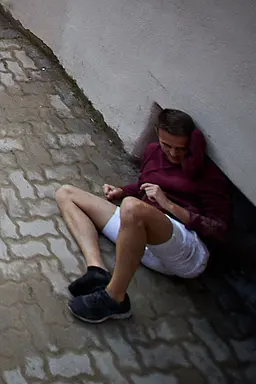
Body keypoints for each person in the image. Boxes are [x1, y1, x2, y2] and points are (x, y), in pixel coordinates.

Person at [55, 108, 231, 323]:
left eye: (181, 148)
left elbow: (220, 230)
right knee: (66, 194)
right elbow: (145, 183)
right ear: (158, 134)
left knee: (131, 207)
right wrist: (123, 190)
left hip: (185, 251)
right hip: (141, 240)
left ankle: (115, 299)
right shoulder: (152, 152)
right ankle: (96, 270)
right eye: (167, 146)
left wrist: (170, 205)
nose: (173, 154)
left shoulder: (208, 174)